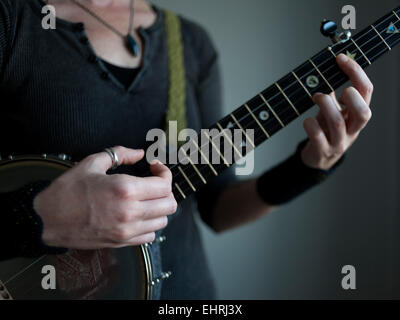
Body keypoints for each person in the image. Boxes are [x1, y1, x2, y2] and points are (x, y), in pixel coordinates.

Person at [0, 0, 373, 299]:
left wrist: (309, 167)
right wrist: (37, 215)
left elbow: (218, 207)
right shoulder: (13, 22)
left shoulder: (190, 43)